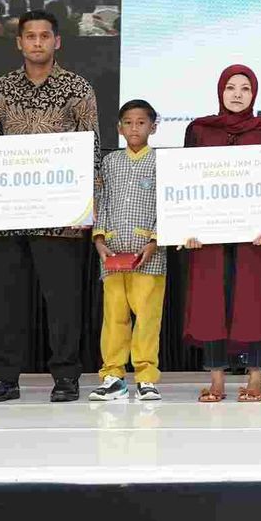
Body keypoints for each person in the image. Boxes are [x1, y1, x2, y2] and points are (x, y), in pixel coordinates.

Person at [0, 10, 100, 404]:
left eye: (45, 36)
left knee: (63, 302)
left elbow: (92, 150)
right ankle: (4, 379)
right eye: (30, 36)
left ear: (56, 41)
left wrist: (88, 207)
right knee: (3, 301)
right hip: (6, 214)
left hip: (60, 215)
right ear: (19, 42)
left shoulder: (77, 88)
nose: (37, 43)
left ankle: (66, 377)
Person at [185, 65, 261, 403]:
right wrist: (188, 227)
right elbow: (186, 181)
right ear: (220, 92)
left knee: (254, 300)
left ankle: (256, 378)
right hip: (208, 234)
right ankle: (216, 379)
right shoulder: (200, 130)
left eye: (245, 88)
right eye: (231, 87)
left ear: (254, 94)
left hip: (255, 234)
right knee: (211, 301)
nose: (238, 94)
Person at [90, 100, 166, 402]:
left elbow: (168, 204)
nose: (135, 128)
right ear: (119, 128)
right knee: (114, 317)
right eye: (129, 123)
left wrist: (155, 240)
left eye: (141, 123)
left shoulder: (161, 162)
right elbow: (102, 199)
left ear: (153, 127)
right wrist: (99, 238)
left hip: (149, 256)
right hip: (112, 255)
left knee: (147, 318)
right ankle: (113, 376)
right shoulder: (110, 162)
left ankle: (146, 377)